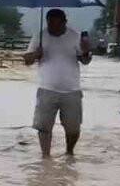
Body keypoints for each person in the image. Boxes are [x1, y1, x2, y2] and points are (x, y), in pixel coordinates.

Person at [23, 9, 92, 158]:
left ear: (64, 22)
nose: (53, 27)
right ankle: (46, 157)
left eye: (56, 24)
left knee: (73, 128)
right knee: (43, 127)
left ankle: (69, 152)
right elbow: (27, 60)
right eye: (50, 24)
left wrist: (86, 52)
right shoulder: (40, 36)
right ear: (46, 22)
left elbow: (85, 61)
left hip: (71, 90)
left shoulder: (75, 36)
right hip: (46, 89)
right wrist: (36, 54)